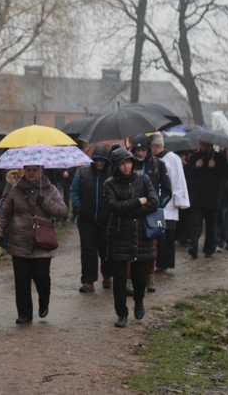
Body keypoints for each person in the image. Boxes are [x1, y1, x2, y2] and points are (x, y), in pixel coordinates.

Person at [0, 164, 68, 324]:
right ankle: (24, 314)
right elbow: (4, 213)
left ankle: (44, 302)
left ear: (41, 171)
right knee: (21, 281)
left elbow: (62, 211)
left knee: (41, 277)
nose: (31, 173)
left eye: (35, 170)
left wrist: (45, 203)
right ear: (23, 171)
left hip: (42, 243)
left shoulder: (50, 189)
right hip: (19, 242)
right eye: (28, 170)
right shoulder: (15, 190)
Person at [104, 147, 159, 328]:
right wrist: (137, 202)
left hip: (140, 235)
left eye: (128, 162)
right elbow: (114, 207)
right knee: (119, 278)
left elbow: (153, 202)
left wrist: (131, 211)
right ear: (116, 166)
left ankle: (139, 301)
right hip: (119, 235)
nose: (126, 167)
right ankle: (121, 313)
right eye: (122, 164)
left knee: (139, 277)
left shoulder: (143, 179)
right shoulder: (110, 184)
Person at [131, 135, 171, 293]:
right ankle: (129, 279)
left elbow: (168, 190)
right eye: (137, 150)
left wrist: (158, 205)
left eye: (143, 150)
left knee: (151, 247)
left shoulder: (158, 165)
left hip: (151, 214)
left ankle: (150, 275)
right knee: (131, 246)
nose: (139, 153)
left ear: (148, 150)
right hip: (132, 210)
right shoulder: (128, 164)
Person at [70, 144, 112, 293]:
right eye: (97, 160)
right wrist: (79, 207)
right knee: (88, 250)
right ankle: (88, 281)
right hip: (86, 219)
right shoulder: (83, 173)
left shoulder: (112, 174)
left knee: (106, 249)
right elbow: (73, 190)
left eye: (102, 160)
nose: (99, 163)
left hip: (106, 220)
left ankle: (107, 275)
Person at [150, 133, 190, 273]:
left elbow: (179, 179)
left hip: (170, 203)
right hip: (158, 203)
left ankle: (165, 262)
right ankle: (159, 261)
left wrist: (179, 199)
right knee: (159, 233)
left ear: (156, 146)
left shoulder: (173, 158)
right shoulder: (153, 159)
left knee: (168, 235)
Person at [185, 141, 228, 259]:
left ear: (211, 145)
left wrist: (215, 167)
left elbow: (227, 175)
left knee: (211, 225)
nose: (205, 147)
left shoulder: (219, 158)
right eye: (203, 144)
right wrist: (196, 166)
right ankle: (194, 246)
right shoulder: (194, 158)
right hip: (197, 197)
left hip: (213, 198)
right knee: (196, 224)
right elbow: (187, 173)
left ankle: (209, 249)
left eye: (207, 145)